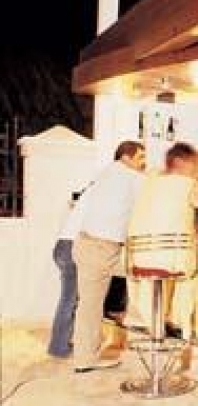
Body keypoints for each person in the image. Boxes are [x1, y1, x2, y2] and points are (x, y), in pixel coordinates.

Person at [127, 142, 198, 342]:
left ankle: (164, 322)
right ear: (180, 162)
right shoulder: (186, 183)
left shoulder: (149, 182)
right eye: (195, 164)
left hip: (136, 258)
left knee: (186, 264)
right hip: (170, 257)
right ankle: (196, 331)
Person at [72, 140, 145, 373]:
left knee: (89, 305)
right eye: (140, 157)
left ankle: (85, 355)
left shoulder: (106, 173)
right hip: (101, 247)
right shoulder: (130, 177)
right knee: (91, 306)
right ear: (126, 157)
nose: (143, 163)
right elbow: (153, 193)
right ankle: (85, 360)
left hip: (88, 243)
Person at [47, 190, 90, 358]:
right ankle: (58, 347)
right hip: (72, 248)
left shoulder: (82, 203)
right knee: (69, 300)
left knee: (70, 299)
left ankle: (61, 342)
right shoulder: (94, 201)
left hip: (62, 247)